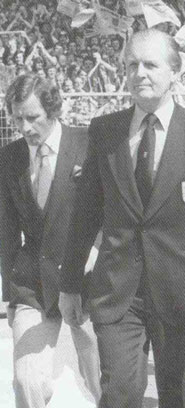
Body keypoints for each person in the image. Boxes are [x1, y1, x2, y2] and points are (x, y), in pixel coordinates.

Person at [58, 29, 185, 408]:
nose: (139, 73)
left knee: (179, 398)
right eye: (132, 65)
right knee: (120, 396)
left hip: (184, 293)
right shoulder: (105, 130)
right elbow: (85, 214)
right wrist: (69, 285)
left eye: (150, 64)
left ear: (175, 72)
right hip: (118, 292)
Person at [0, 73, 102, 408]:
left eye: (32, 118)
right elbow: (6, 234)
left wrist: (97, 252)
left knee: (104, 383)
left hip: (87, 282)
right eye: (17, 119)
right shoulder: (8, 158)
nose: (25, 127)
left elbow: (113, 210)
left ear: (53, 109)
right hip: (34, 286)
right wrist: (12, 295)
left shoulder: (89, 144)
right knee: (27, 379)